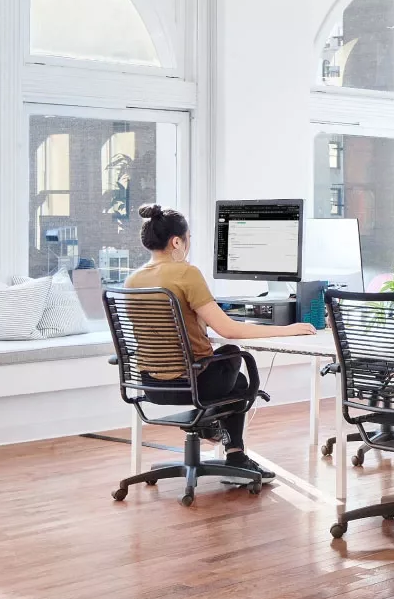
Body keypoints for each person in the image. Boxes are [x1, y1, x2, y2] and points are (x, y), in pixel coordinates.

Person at [124, 204, 316, 479]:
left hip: (151, 385)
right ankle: (227, 446)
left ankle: (225, 442)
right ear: (176, 241)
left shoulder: (132, 281)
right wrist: (289, 328)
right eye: (188, 239)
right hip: (193, 386)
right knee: (232, 356)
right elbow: (228, 330)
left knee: (235, 381)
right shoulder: (185, 273)